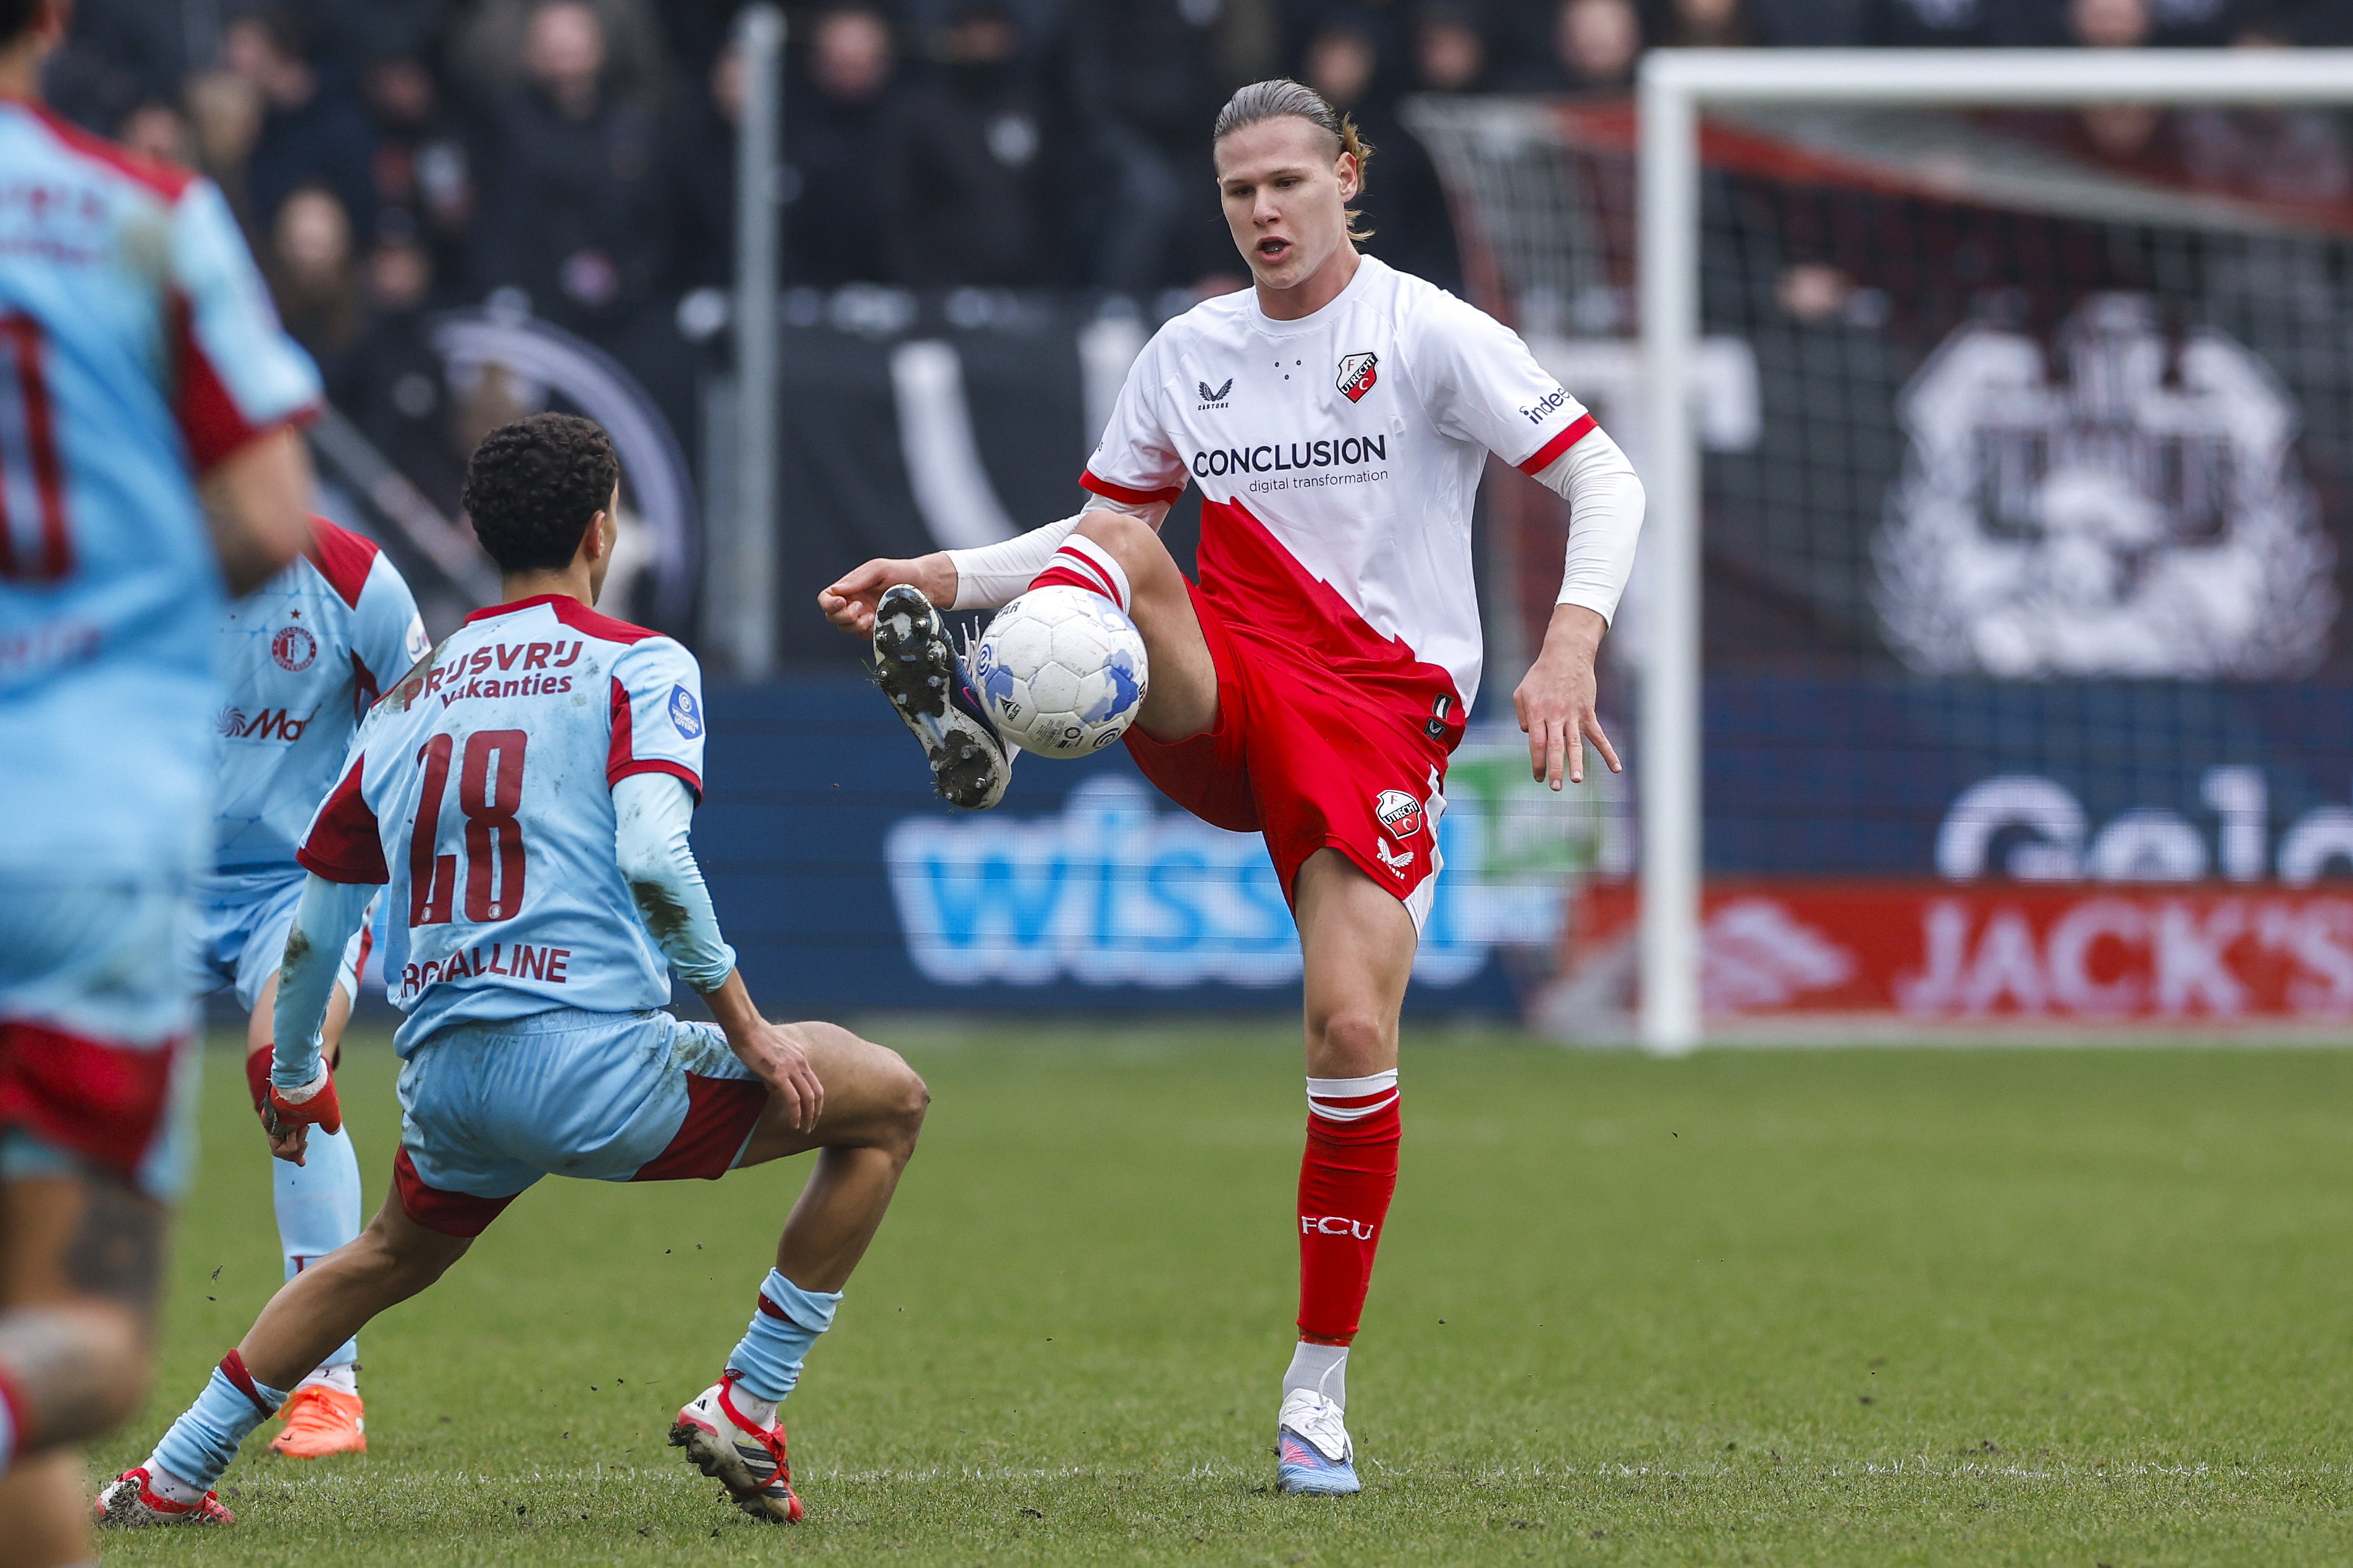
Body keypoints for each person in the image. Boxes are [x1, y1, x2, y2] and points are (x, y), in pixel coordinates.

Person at [819, 78, 1641, 1494]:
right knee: (1125, 547)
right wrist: (942, 577)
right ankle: (983, 703)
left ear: (1346, 177)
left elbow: (1606, 478)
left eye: (1286, 183)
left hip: (1378, 714)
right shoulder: (1187, 352)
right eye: (1238, 191)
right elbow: (1100, 534)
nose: (1263, 211)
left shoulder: (1427, 331)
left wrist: (1567, 646)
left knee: (1348, 1027)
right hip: (1231, 682)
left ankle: (1315, 1391)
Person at [101, 413, 928, 1528]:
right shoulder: (639, 661)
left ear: (478, 534)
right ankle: (749, 1397)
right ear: (601, 529)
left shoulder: (412, 695)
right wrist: (747, 1026)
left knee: (383, 1255)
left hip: (448, 1072)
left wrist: (295, 1072)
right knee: (887, 1101)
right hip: (593, 1062)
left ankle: (170, 1474)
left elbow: (323, 911)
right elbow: (655, 856)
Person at [0, 0, 321, 1557]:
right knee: (79, 1348)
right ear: (54, 17)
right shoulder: (142, 218)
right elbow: (267, 517)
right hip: (76, 829)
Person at [185, 514, 429, 1462]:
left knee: (285, 1075)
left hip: (298, 884)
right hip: (145, 875)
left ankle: (331, 1385)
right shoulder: (113, 550)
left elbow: (422, 725)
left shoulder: (358, 584)